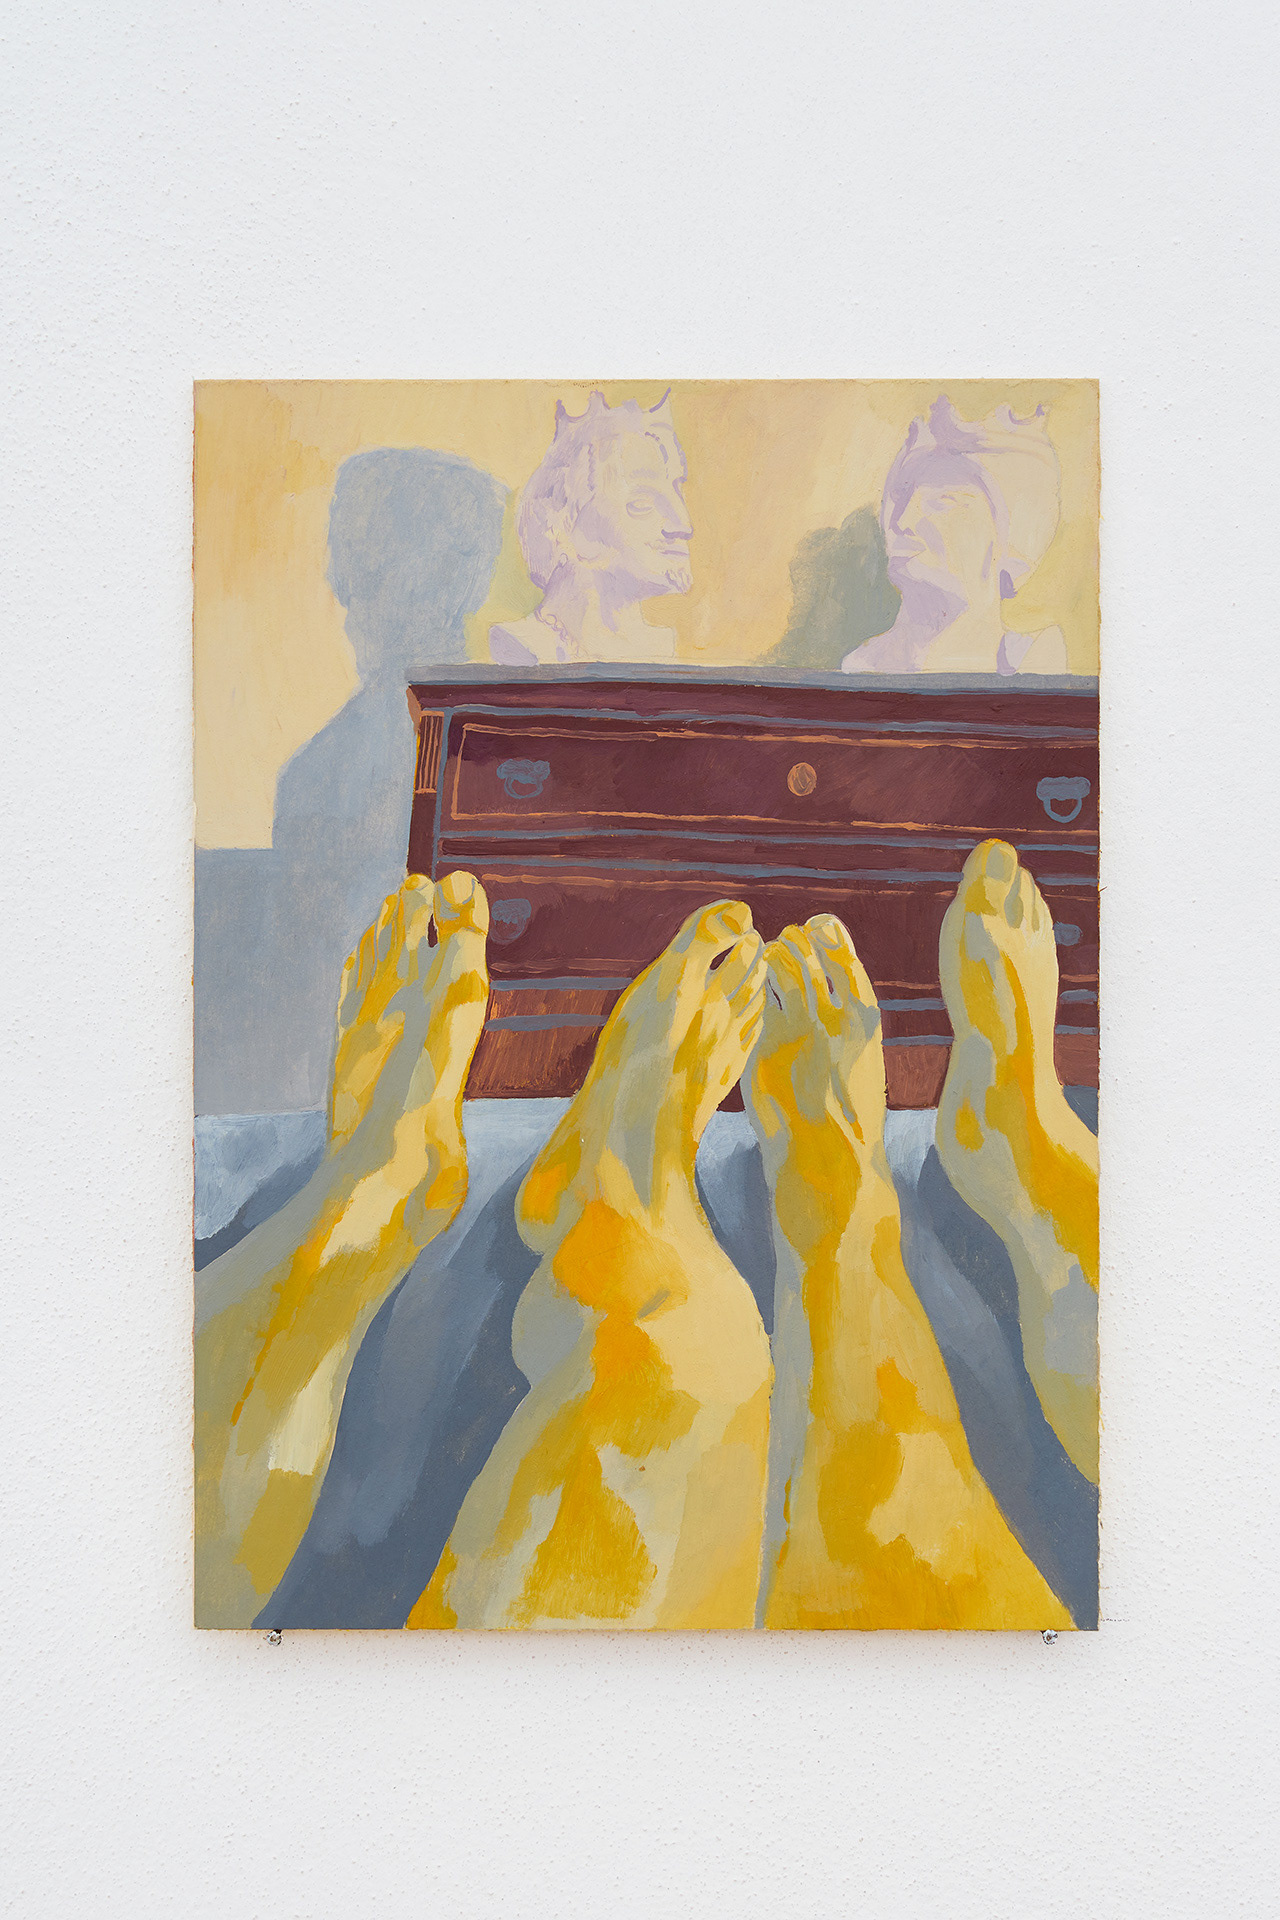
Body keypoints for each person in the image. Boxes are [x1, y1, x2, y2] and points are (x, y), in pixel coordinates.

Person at [842, 396, 1067, 676]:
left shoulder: (1040, 664)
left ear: (1010, 541)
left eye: (944, 501)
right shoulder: (861, 667)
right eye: (900, 496)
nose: (901, 520)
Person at [489, 391, 693, 665]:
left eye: (677, 490)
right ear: (563, 518)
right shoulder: (525, 644)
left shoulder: (661, 647)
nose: (684, 525)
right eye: (641, 503)